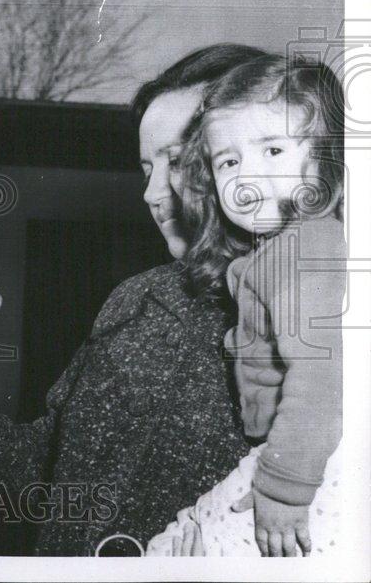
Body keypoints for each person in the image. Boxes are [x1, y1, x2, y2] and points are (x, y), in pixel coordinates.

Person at [0, 45, 268, 556]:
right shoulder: (134, 301)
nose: (153, 192)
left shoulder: (307, 320)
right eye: (144, 168)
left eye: (176, 162)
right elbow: (58, 468)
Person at [147, 55, 345, 557]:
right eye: (228, 161)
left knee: (174, 550)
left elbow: (323, 371)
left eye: (273, 149)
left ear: (325, 159)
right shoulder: (275, 251)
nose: (246, 176)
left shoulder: (305, 248)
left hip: (303, 465)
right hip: (290, 456)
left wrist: (282, 486)